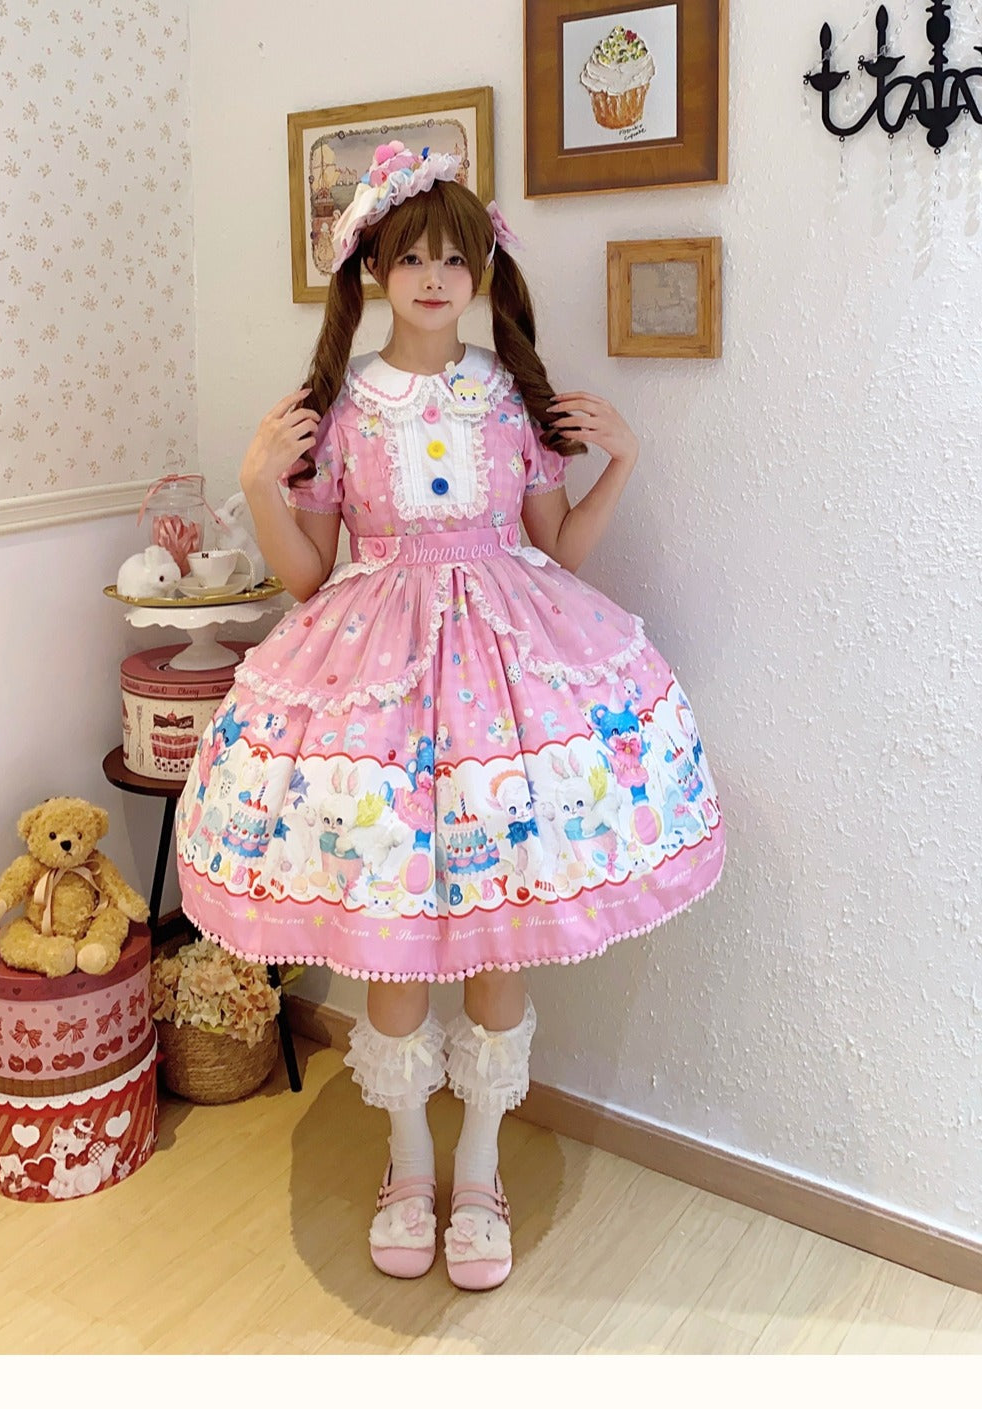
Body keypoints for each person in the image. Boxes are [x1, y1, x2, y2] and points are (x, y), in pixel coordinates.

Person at [176, 142, 725, 1291]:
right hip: (375, 681)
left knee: (497, 926)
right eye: (413, 256)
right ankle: (408, 1162)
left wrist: (623, 460)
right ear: (375, 267)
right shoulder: (340, 406)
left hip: (507, 680)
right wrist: (261, 479)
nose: (435, 276)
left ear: (480, 271)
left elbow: (559, 546)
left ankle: (478, 1168)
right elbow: (306, 577)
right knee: (395, 926)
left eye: (455, 258)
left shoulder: (509, 395)